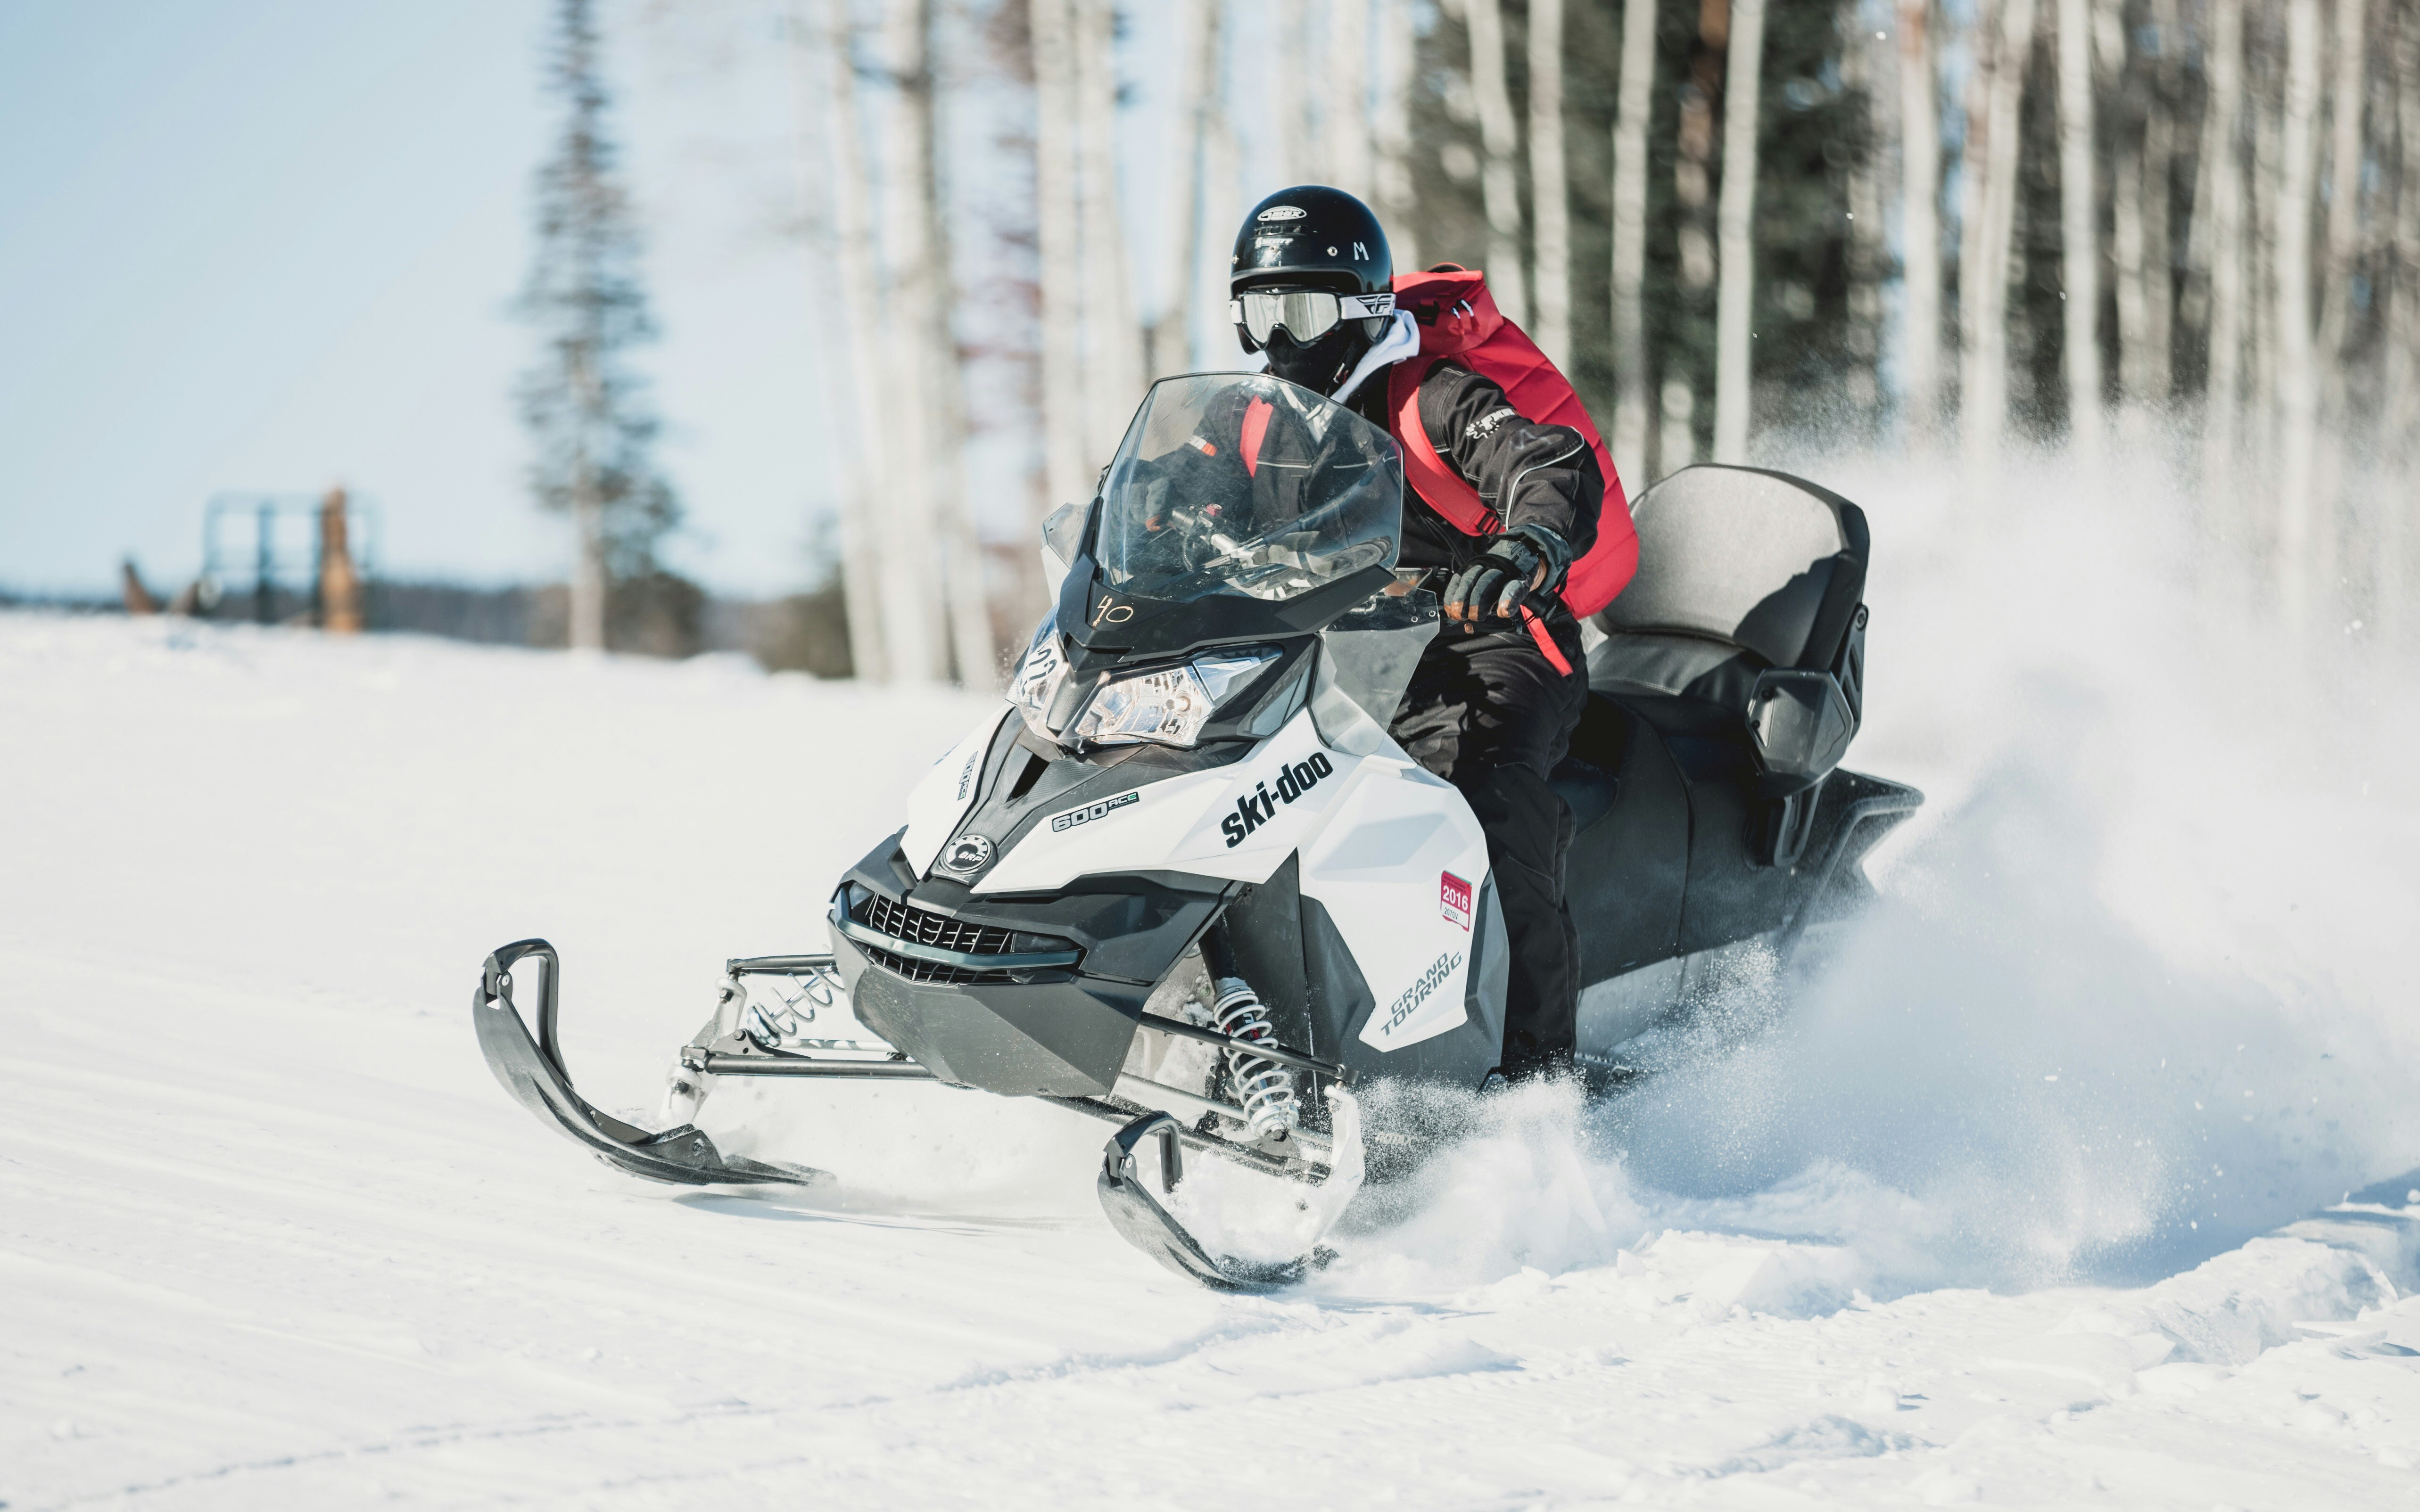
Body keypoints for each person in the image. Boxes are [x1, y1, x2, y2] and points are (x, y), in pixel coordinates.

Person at [1229, 184, 1639, 1082]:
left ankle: (1532, 1076)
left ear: (1360, 311)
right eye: (1258, 314)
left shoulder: (1435, 396)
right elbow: (1181, 485)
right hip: (1344, 657)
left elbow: (1541, 460)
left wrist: (1529, 540)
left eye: (1302, 313)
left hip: (1491, 641)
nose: (1280, 341)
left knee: (1478, 805)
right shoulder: (1260, 418)